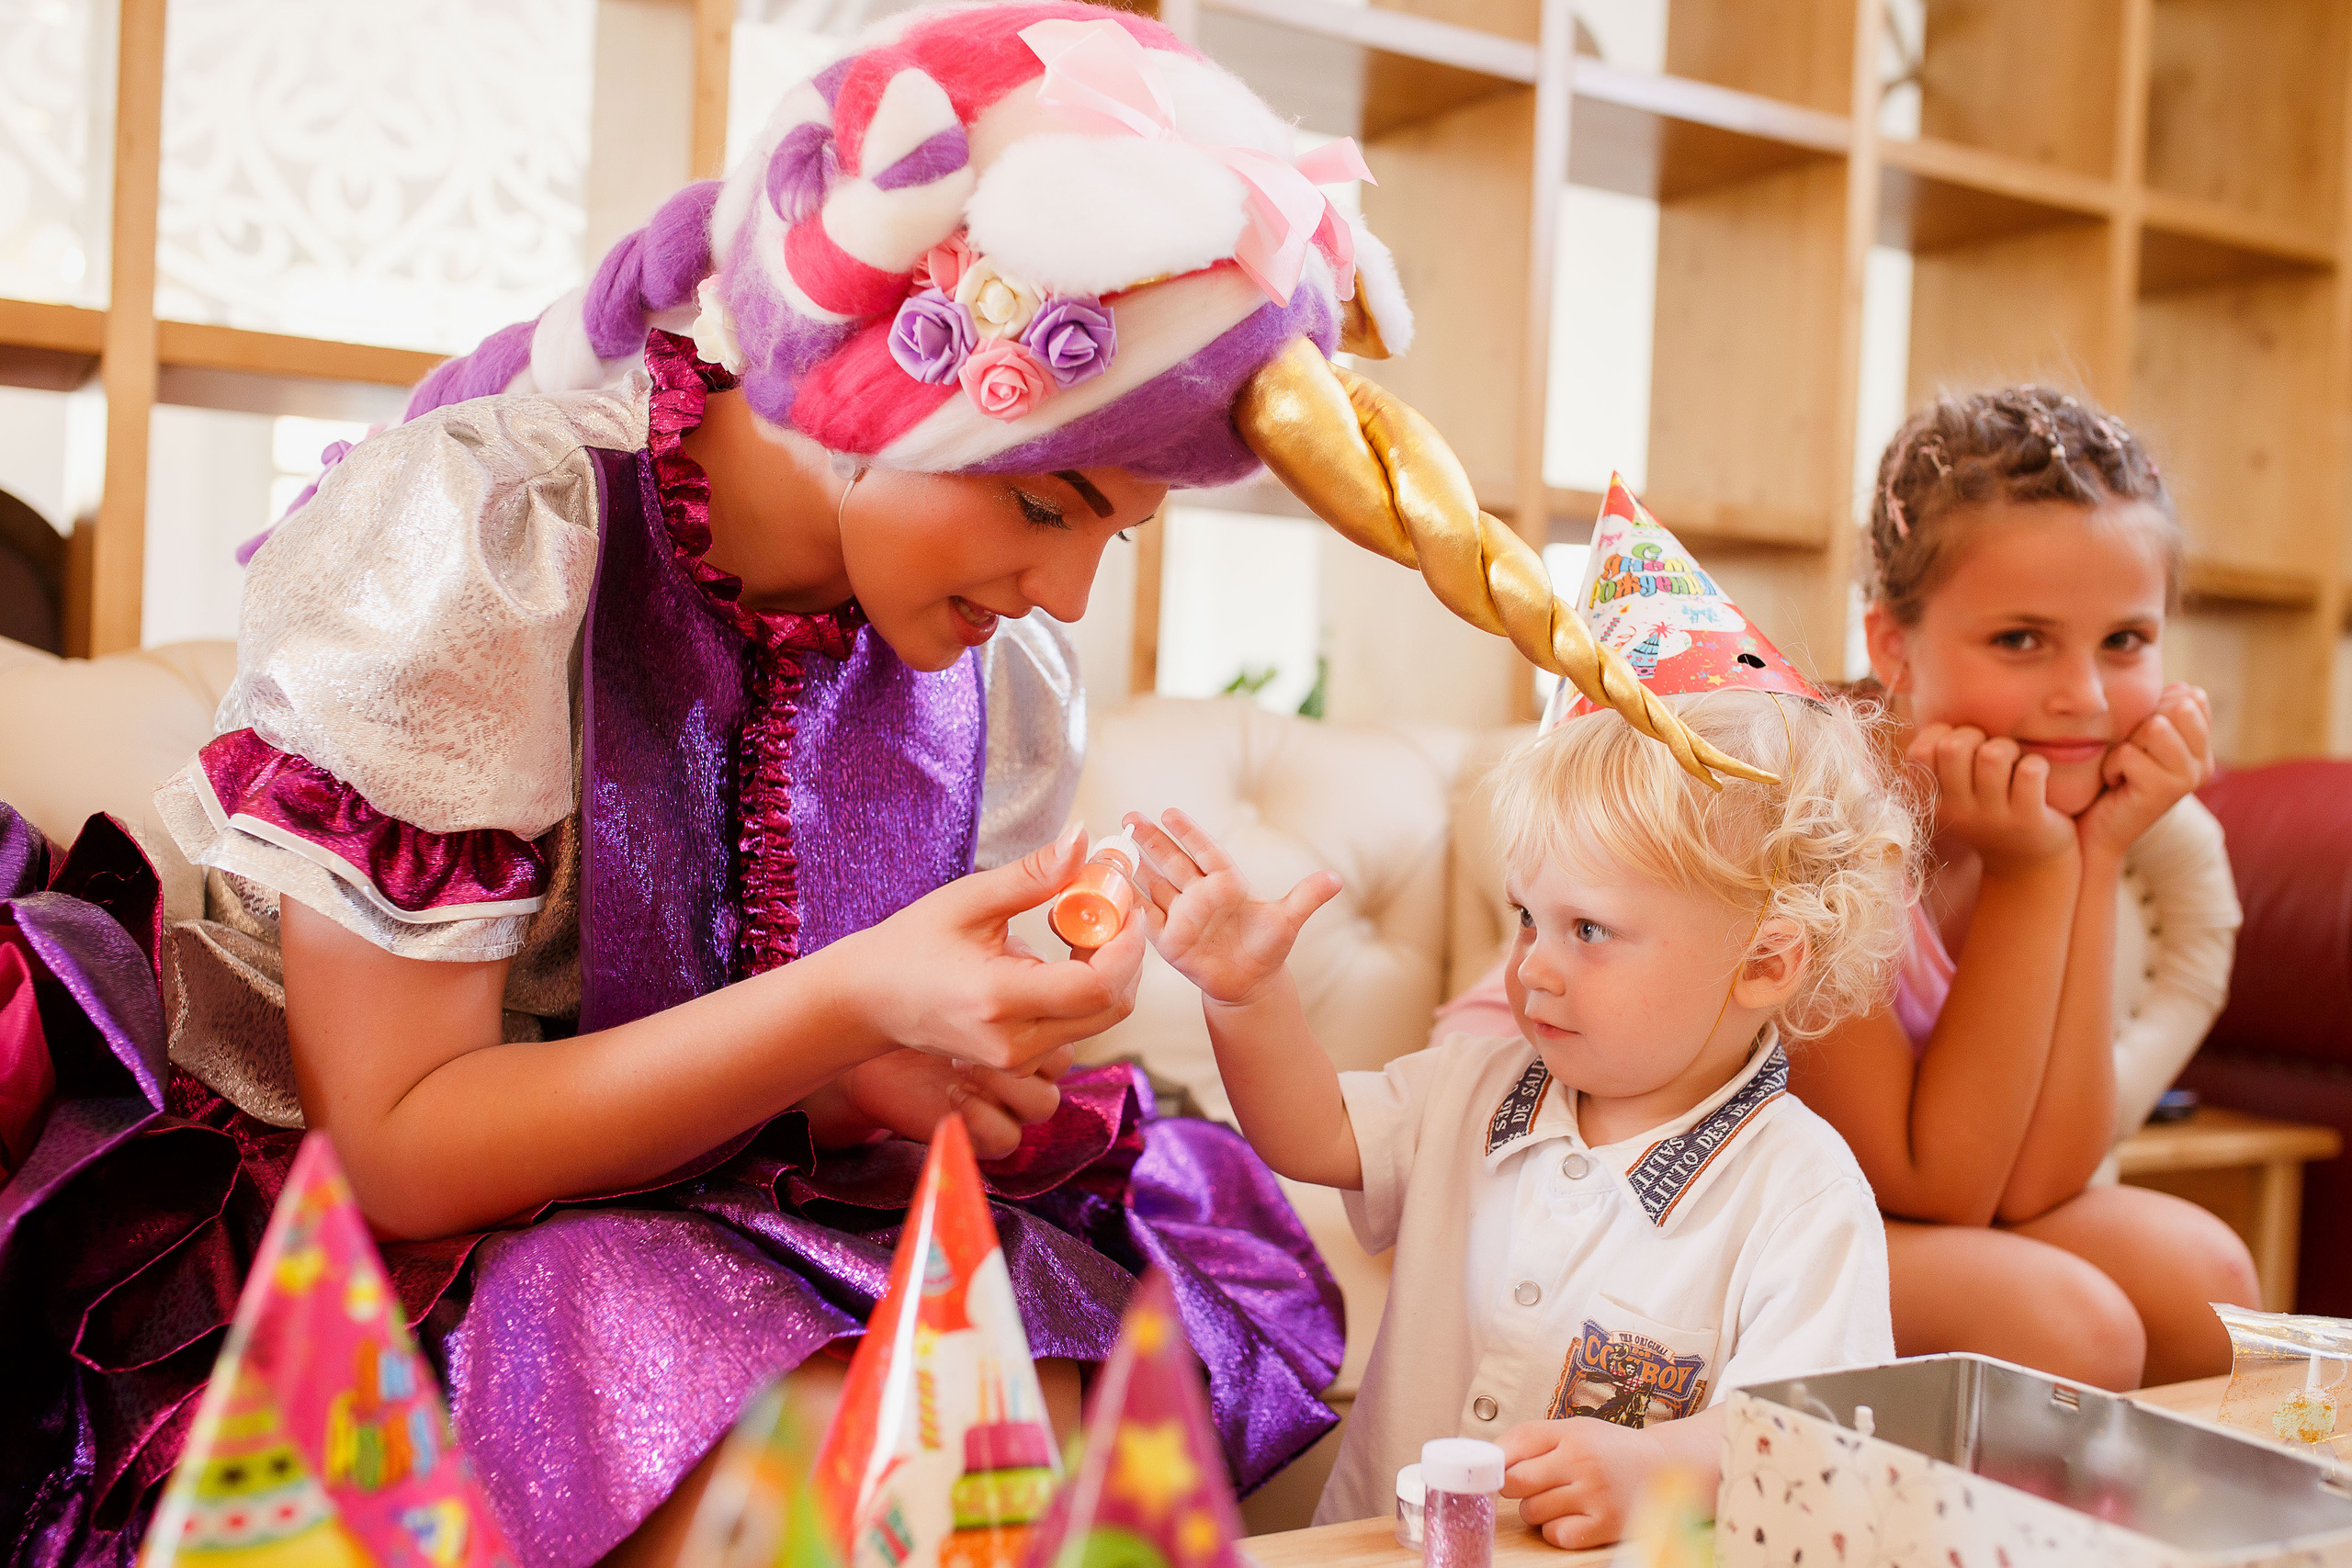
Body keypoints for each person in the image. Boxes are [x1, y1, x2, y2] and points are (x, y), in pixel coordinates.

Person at [0, 8, 1759, 1568]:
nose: (1069, 596)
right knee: (809, 1455)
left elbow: (815, 1055)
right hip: (401, 1216)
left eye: (1120, 533)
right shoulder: (497, 545)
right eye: (1052, 505)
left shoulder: (1004, 668)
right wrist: (848, 996)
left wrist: (883, 1083)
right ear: (869, 388)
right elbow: (397, 1147)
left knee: (1050, 1428)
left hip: (713, 1196)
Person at [1437, 389, 2253, 1392]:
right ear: (1892, 644)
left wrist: (2091, 848)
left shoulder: (2037, 801)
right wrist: (2040, 870)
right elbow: (1934, 1185)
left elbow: (2043, 1173)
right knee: (2069, 1328)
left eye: (2124, 641)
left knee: (2207, 1285)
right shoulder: (1810, 812)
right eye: (2021, 640)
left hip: (1795, 1179)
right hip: (1591, 1158)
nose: (2082, 697)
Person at [1125, 682, 1916, 1550]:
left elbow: (1806, 1439)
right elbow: (1311, 1133)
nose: (1534, 967)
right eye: (1526, 918)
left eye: (1587, 929)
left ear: (1765, 962)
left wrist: (1660, 1467)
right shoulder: (1474, 1083)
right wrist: (1248, 996)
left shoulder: (1800, 1193)